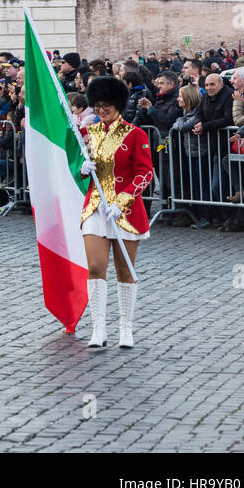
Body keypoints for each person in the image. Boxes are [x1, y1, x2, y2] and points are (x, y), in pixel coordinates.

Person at [78, 76, 153, 349]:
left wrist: (122, 200)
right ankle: (98, 328)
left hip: (125, 211)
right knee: (96, 266)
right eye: (96, 105)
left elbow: (145, 173)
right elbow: (75, 165)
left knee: (125, 270)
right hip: (96, 207)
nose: (101, 110)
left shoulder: (136, 134)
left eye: (106, 104)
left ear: (117, 104)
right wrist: (81, 168)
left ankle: (126, 328)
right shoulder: (88, 134)